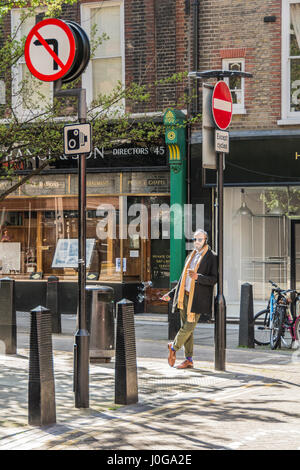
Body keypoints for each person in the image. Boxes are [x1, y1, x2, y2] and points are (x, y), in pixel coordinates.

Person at [161, 229, 217, 369]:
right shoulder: (191, 256)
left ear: (206, 240)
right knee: (188, 330)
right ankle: (189, 359)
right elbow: (183, 279)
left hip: (197, 298)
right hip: (184, 295)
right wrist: (171, 294)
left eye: (200, 239)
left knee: (189, 326)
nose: (197, 242)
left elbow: (214, 279)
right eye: (195, 239)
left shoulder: (211, 256)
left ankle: (173, 347)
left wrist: (198, 277)